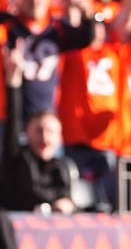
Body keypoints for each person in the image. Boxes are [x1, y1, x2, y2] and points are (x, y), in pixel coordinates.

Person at [0, 38, 75, 214]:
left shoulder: (62, 168)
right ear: (27, 133)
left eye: (50, 132)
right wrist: (13, 82)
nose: (45, 138)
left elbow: (70, 200)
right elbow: (13, 122)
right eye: (39, 131)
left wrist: (68, 205)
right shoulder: (17, 160)